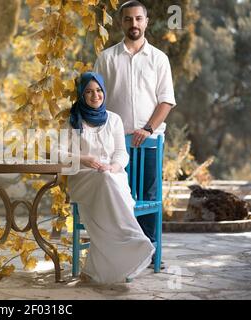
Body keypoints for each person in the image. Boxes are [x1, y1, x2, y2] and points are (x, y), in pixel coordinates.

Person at [94, 0, 176, 268]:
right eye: (128, 19)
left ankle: (151, 253)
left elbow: (166, 101)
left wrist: (147, 128)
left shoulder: (159, 59)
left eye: (138, 19)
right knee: (117, 199)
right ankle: (122, 255)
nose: (134, 24)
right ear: (121, 23)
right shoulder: (106, 58)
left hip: (149, 142)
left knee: (149, 198)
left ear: (146, 21)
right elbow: (95, 100)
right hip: (115, 145)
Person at [66, 71, 155, 284]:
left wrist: (114, 167)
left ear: (104, 92)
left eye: (98, 90)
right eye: (88, 91)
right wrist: (85, 159)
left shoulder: (114, 119)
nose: (95, 95)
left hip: (113, 175)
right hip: (83, 177)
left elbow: (121, 153)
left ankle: (98, 268)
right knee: (103, 180)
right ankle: (133, 240)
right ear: (81, 94)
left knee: (107, 178)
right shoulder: (72, 119)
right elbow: (62, 154)